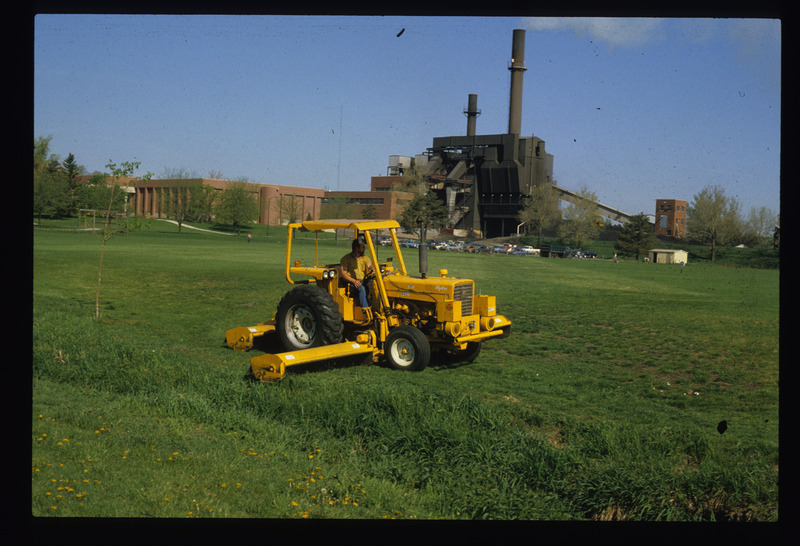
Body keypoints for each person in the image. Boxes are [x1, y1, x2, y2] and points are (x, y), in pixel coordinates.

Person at [340, 238, 374, 308]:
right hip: (351, 282)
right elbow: (343, 274)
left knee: (373, 285)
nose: (364, 249)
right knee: (361, 288)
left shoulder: (364, 257)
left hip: (362, 280)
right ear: (356, 248)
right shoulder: (346, 259)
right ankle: (365, 309)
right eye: (363, 247)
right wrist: (354, 281)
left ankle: (374, 305)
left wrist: (373, 268)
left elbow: (369, 265)